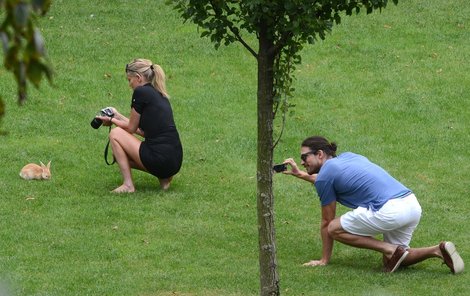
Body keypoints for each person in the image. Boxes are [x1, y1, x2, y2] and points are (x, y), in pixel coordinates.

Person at [280, 135, 464, 273]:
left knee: (334, 228)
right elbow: (330, 179)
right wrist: (302, 175)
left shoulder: (326, 176)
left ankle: (390, 248)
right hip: (411, 205)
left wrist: (324, 260)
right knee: (392, 261)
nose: (302, 162)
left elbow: (327, 222)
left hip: (390, 211)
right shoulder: (349, 157)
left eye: (304, 158)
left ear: (319, 154)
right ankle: (438, 250)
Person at [96, 58, 183, 193]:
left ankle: (128, 185)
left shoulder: (140, 92)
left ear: (138, 77)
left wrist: (111, 120)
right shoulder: (159, 94)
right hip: (174, 160)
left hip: (160, 158)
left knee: (115, 133)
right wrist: (117, 115)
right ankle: (165, 178)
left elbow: (130, 128)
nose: (129, 84)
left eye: (129, 80)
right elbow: (142, 131)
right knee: (119, 155)